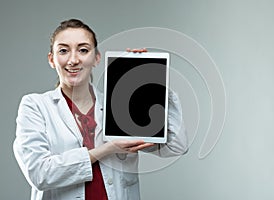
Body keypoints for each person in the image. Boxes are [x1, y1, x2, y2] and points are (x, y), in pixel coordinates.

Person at [13, 18, 188, 200]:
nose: (73, 60)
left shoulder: (120, 106)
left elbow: (176, 147)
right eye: (63, 51)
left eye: (83, 50)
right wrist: (107, 149)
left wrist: (154, 81)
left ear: (96, 58)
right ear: (52, 59)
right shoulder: (35, 106)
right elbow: (40, 174)